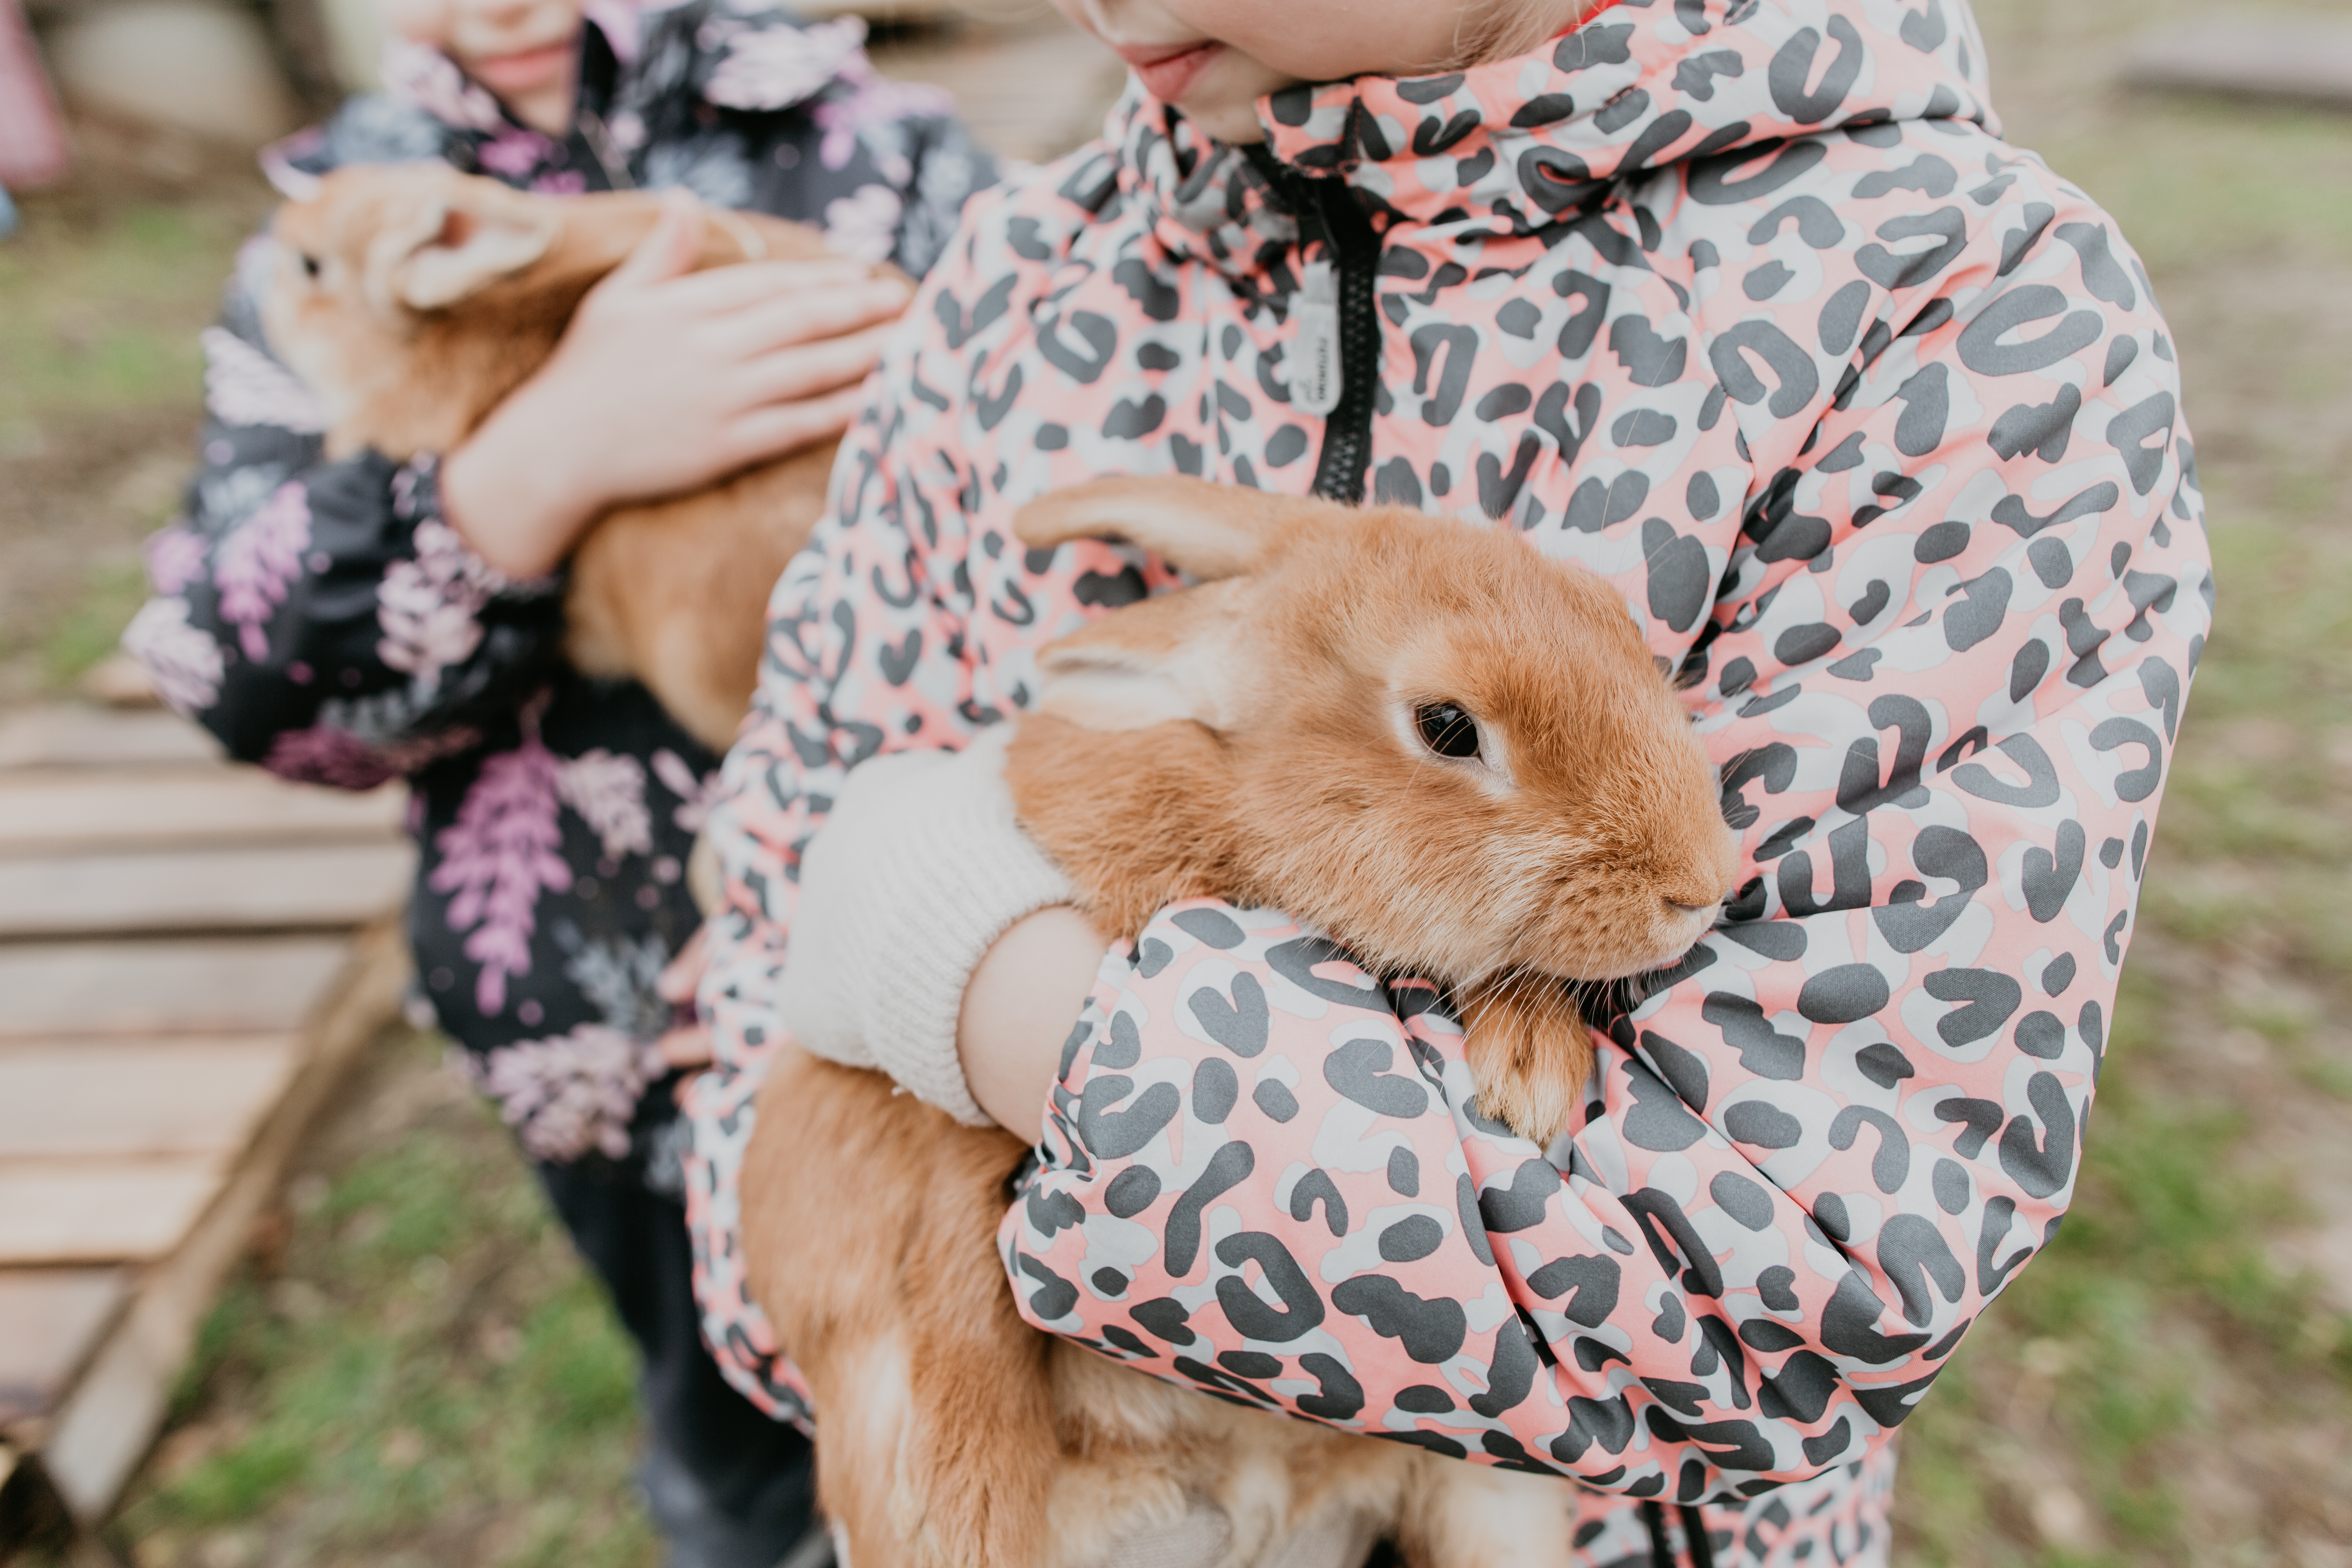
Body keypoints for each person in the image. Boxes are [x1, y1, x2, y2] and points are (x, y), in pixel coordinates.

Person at [683, 0, 2212, 1562]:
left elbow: (1784, 1290)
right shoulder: (1021, 287)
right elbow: (761, 1033)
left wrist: (1002, 994)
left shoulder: (1952, 316)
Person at [123, 0, 996, 1561]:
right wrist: (545, 460)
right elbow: (244, 681)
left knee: (975, 1399)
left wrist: (850, 888)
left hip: (932, 981)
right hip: (603, 1035)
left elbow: (1033, 533)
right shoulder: (328, 220)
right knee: (742, 1453)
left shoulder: (884, 160)